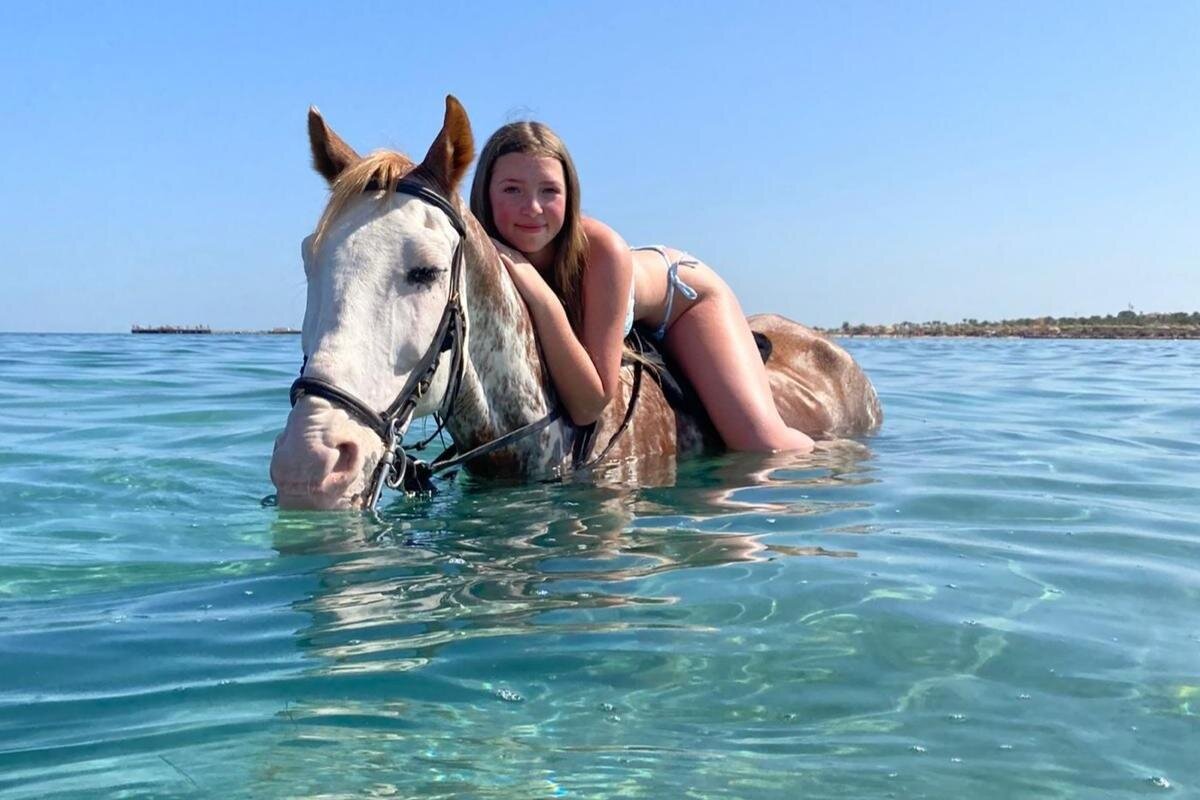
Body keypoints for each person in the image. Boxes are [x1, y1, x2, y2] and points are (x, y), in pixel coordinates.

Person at [468, 121, 813, 453]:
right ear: (486, 194)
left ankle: (829, 454)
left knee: (759, 441)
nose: (532, 207)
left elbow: (589, 406)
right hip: (620, 299)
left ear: (570, 196)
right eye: (512, 190)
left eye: (549, 190)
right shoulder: (476, 256)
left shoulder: (602, 250)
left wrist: (539, 293)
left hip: (683, 303)